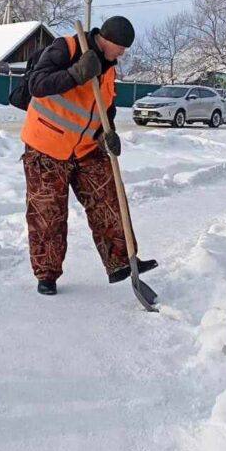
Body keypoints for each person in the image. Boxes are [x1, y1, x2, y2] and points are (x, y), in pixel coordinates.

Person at [20, 16, 157, 295]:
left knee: (109, 199)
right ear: (108, 40)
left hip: (85, 149)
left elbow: (104, 110)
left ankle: (120, 261)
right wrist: (75, 74)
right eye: (121, 47)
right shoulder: (66, 49)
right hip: (46, 147)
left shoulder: (108, 71)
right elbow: (37, 84)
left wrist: (109, 134)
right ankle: (47, 274)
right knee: (48, 214)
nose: (122, 53)